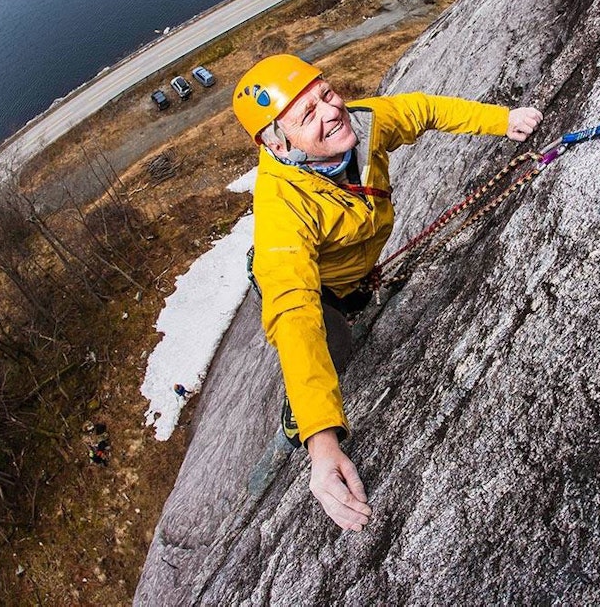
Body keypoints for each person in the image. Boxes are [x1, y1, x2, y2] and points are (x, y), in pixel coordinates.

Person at [232, 54, 542, 532]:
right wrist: (322, 439)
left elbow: (422, 110)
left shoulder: (364, 124)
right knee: (332, 343)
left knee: (354, 305)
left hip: (349, 267)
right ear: (276, 141)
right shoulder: (282, 210)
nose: (330, 111)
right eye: (306, 115)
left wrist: (502, 121)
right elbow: (294, 313)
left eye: (325, 94)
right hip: (308, 281)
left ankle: (353, 299)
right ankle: (297, 420)